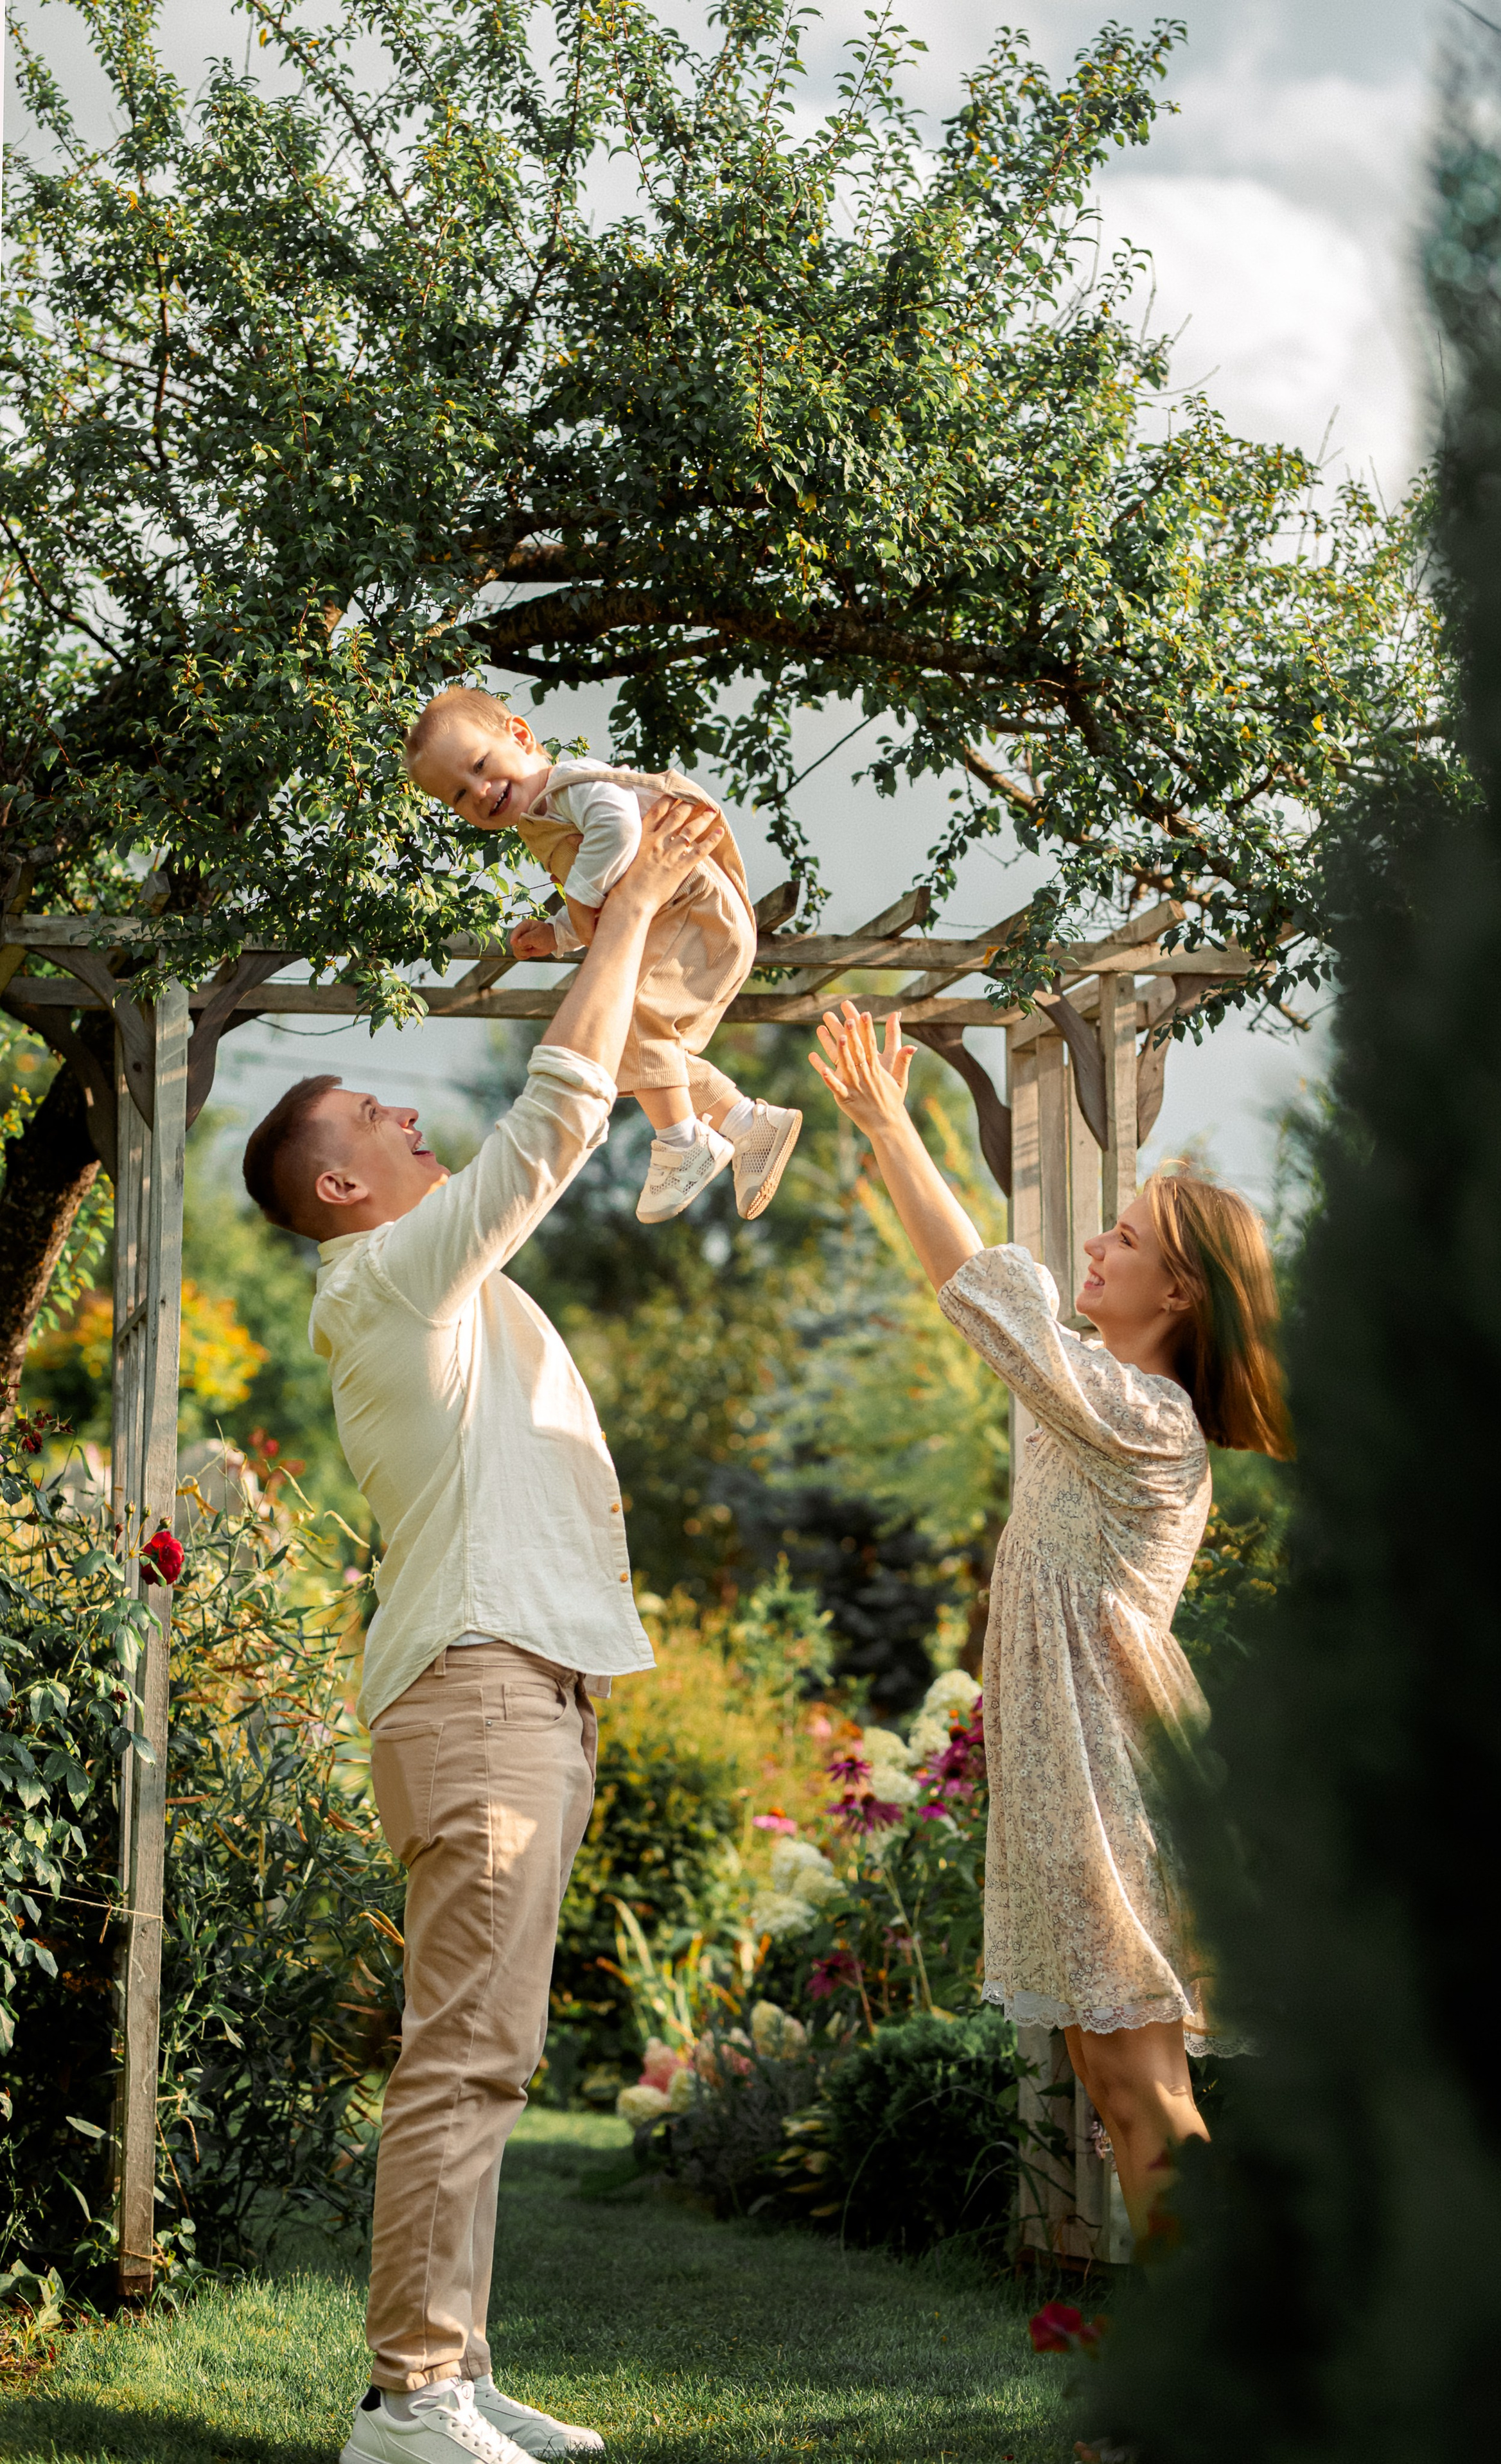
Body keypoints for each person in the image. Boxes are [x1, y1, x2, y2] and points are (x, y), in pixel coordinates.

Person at [240, 796, 726, 2464]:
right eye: (373, 1109)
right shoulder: (389, 1274)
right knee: (465, 2055)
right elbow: (558, 1119)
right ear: (341, 1181)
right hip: (481, 1689)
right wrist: (626, 909)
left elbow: (568, 1087)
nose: (404, 1108)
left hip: (519, 1688)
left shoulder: (420, 1280)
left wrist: (579, 936)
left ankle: (453, 2365)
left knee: (486, 2051)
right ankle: (411, 2397)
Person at [809, 1001, 1291, 2244]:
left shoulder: (1144, 1416)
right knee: (1114, 2081)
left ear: (1178, 1289)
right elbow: (999, 1310)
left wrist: (888, 1123)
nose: (1093, 1243)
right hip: (1071, 1772)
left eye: (1122, 1238)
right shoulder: (1094, 1397)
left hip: (1109, 1776)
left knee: (1142, 2088)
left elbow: (979, 1287)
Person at [403, 686, 802, 1225]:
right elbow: (608, 897)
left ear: (520, 735)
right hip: (673, 918)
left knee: (629, 1017)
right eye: (458, 794)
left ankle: (683, 1142)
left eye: (480, 765)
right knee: (622, 1042)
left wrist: (576, 899)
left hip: (693, 913)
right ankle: (747, 1124)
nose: (480, 791)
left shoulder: (573, 784)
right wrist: (558, 933)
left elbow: (619, 830)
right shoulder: (542, 816)